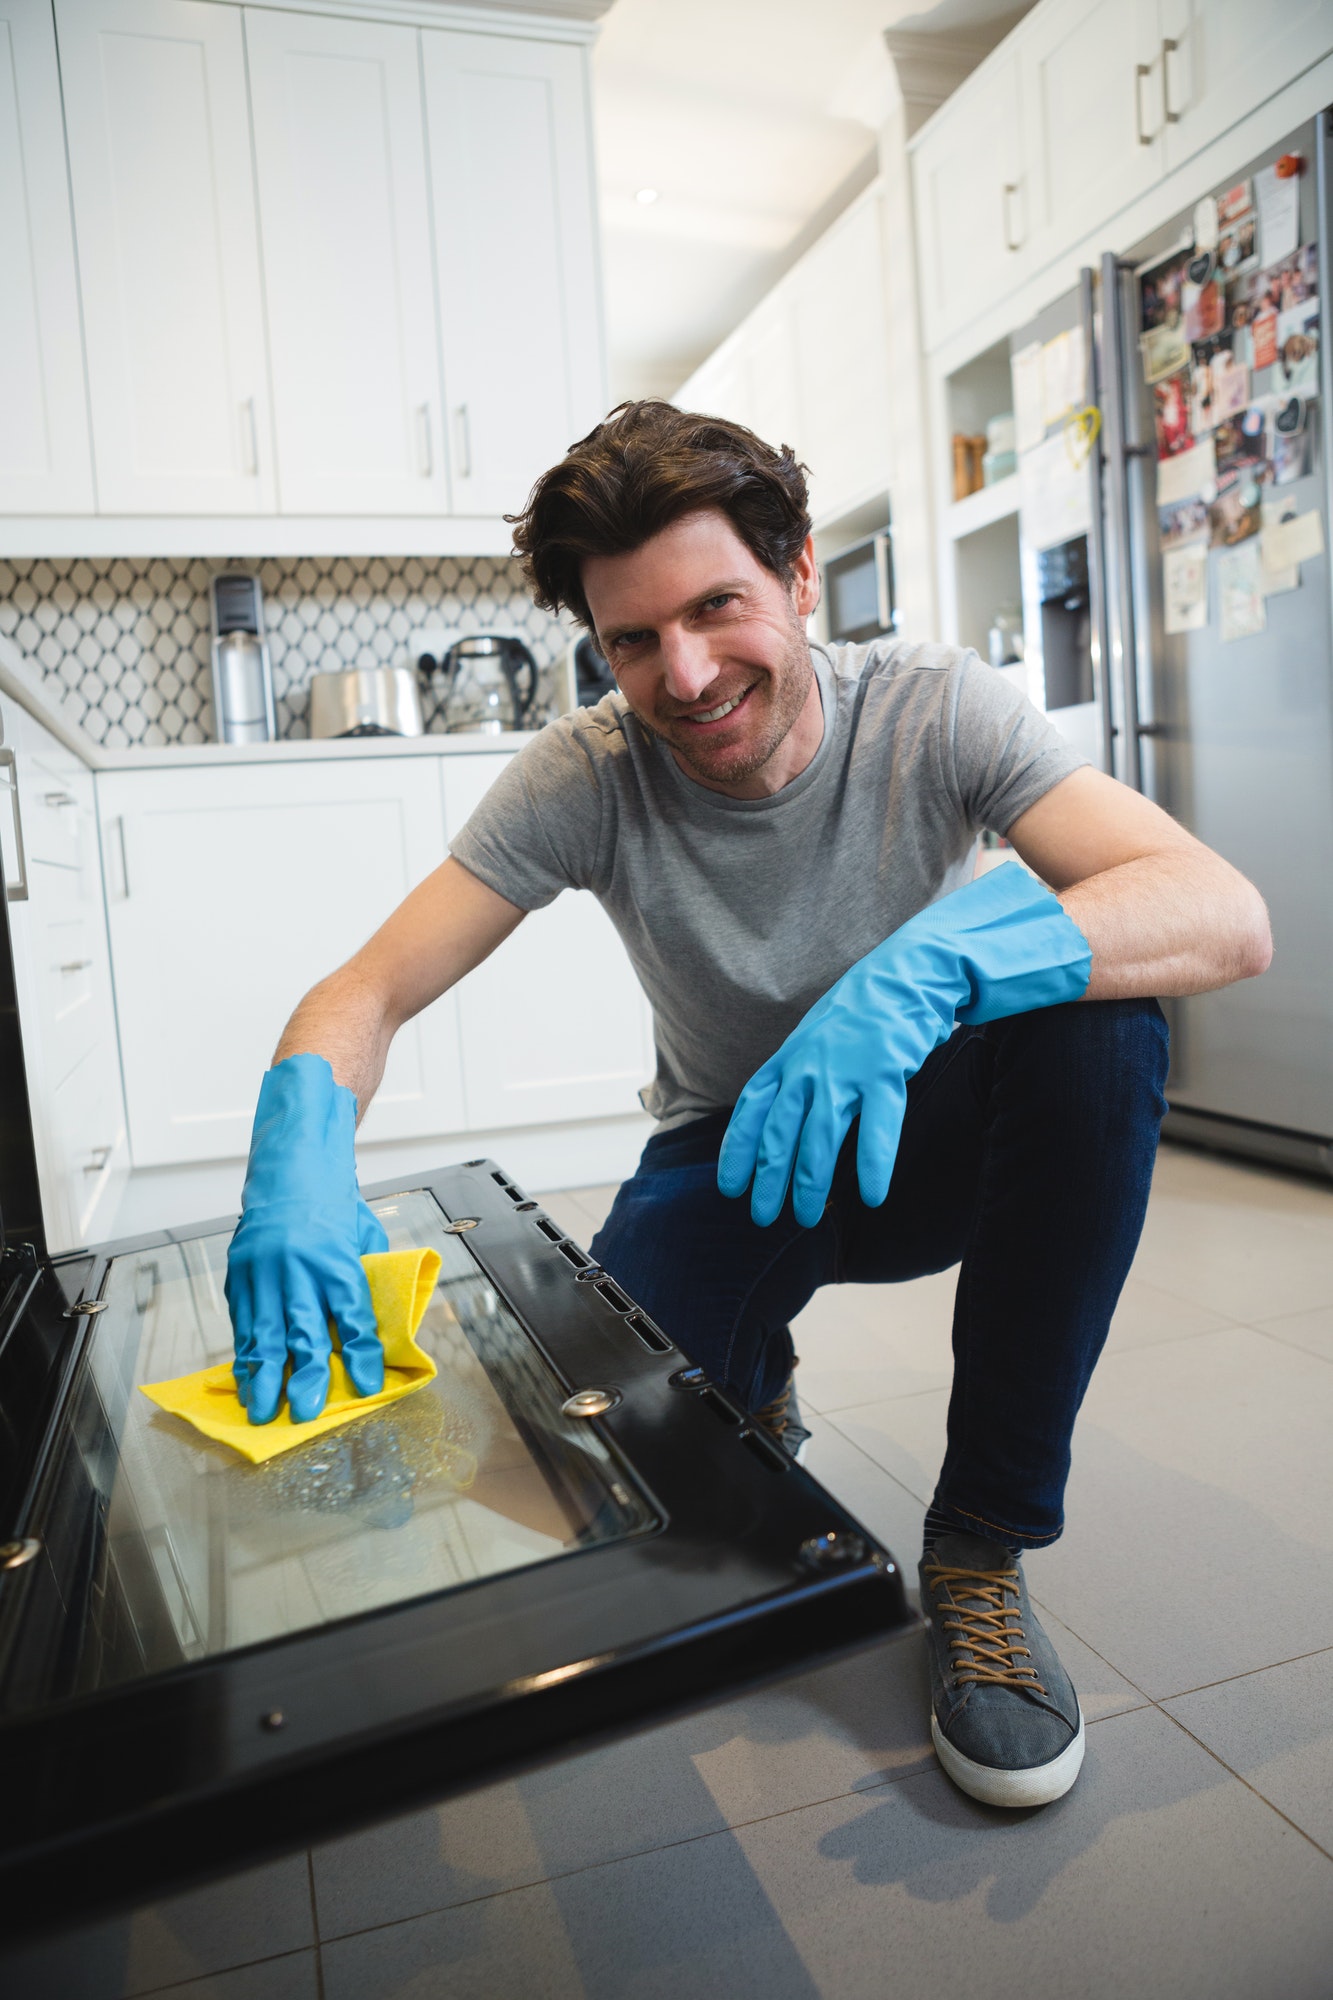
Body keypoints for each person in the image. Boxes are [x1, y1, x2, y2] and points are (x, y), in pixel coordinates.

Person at [226, 402, 1271, 1810]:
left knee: (1098, 1029)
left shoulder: (932, 707)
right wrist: (295, 1146)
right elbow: (366, 991)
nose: (688, 672)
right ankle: (751, 1387)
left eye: (716, 607)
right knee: (593, 1481)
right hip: (733, 1155)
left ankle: (977, 1547)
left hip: (934, 1136)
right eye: (634, 641)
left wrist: (922, 972)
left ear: (792, 577)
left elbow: (1219, 910)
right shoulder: (584, 774)